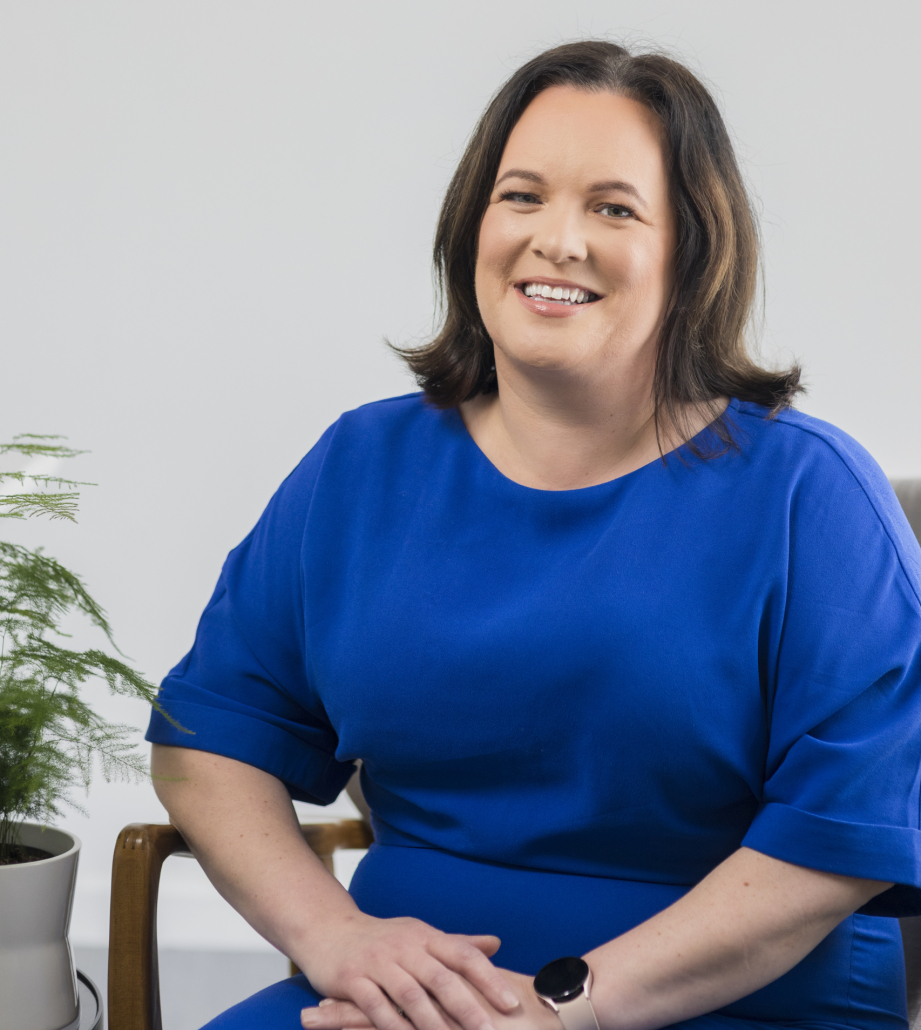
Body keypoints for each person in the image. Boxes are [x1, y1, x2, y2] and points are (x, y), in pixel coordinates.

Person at [146, 40, 921, 1030]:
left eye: (614, 207)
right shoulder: (358, 468)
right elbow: (210, 737)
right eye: (522, 196)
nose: (558, 239)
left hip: (741, 997)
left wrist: (561, 1009)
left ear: (692, 252)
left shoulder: (812, 493)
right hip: (409, 999)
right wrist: (330, 937)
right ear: (473, 224)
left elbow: (844, 835)